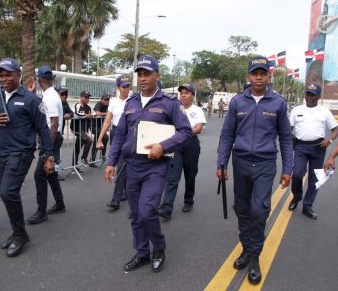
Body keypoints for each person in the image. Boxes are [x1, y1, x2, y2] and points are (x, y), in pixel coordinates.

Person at [104, 55, 192, 273]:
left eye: (147, 74)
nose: (142, 79)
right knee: (135, 214)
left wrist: (163, 146)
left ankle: (159, 248)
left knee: (147, 211)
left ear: (157, 76)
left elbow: (186, 132)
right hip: (132, 164)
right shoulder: (131, 103)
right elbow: (120, 134)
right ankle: (142, 252)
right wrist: (111, 161)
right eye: (140, 75)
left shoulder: (170, 104)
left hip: (156, 166)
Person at [216, 56, 293, 285]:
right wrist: (222, 162)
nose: (258, 77)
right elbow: (227, 134)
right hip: (240, 162)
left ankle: (255, 256)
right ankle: (246, 247)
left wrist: (287, 168)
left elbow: (286, 139)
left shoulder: (278, 103)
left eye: (262, 73)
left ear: (269, 76)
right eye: (254, 73)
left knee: (259, 210)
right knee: (242, 208)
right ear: (248, 76)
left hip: (265, 163)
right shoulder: (238, 102)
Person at [0, 58, 54, 257]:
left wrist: (48, 156)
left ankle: (20, 234)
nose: (4, 78)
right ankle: (17, 231)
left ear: (19, 75)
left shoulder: (31, 100)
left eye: (8, 74)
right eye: (1, 75)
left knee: (7, 193)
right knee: (9, 194)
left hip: (21, 153)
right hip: (2, 153)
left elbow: (43, 129)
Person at [288, 84, 338, 219]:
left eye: (313, 95)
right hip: (300, 147)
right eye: (308, 94)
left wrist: (329, 141)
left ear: (318, 96)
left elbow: (335, 129)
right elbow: (288, 129)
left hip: (318, 148)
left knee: (315, 179)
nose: (309, 97)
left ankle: (307, 206)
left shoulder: (324, 111)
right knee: (297, 174)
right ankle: (296, 197)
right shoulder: (296, 110)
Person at [159, 84, 206, 220]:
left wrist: (182, 134)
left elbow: (198, 128)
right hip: (176, 146)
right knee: (173, 177)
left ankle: (188, 200)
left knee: (190, 175)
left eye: (186, 93)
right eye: (181, 93)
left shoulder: (197, 110)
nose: (183, 95)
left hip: (191, 145)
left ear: (193, 95)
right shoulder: (175, 109)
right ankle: (166, 207)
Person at [26, 66, 66, 225]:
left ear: (39, 79)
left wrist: (47, 148)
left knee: (39, 174)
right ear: (52, 79)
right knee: (50, 172)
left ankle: (41, 212)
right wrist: (32, 94)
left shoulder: (49, 97)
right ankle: (60, 203)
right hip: (53, 138)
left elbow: (54, 124)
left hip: (51, 138)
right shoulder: (49, 94)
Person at [97, 74, 131, 210]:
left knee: (122, 165)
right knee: (118, 163)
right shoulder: (113, 102)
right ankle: (126, 191)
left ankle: (116, 199)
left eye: (128, 86)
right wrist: (99, 139)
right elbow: (107, 121)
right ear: (118, 87)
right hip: (116, 132)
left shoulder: (133, 100)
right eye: (123, 87)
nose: (126, 89)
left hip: (128, 133)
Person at [71, 91, 93, 168]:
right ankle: (83, 159)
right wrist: (86, 116)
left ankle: (75, 166)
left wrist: (91, 116)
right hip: (76, 128)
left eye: (88, 97)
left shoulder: (88, 107)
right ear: (81, 97)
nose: (87, 99)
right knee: (89, 140)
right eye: (86, 97)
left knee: (78, 147)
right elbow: (76, 114)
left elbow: (91, 114)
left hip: (83, 129)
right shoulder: (77, 105)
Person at [90, 93, 110, 167]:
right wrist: (107, 113)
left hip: (100, 126)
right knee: (98, 138)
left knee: (106, 137)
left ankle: (103, 154)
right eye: (105, 99)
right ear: (101, 100)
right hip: (93, 125)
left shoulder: (107, 105)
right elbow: (97, 113)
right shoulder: (99, 104)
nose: (107, 101)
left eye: (108, 100)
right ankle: (92, 160)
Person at [323, 0, 338, 85]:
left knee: (335, 51)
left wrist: (330, 21)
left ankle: (335, 78)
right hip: (329, 27)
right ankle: (327, 76)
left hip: (335, 26)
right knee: (329, 50)